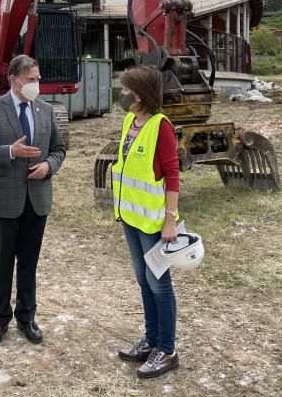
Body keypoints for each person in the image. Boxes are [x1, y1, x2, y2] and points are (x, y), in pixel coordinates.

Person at [0, 54, 66, 346]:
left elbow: (59, 149)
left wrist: (49, 166)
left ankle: (27, 316)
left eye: (38, 78)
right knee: (2, 263)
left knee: (29, 262)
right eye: (31, 79)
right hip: (2, 200)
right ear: (14, 80)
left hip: (37, 200)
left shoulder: (46, 110)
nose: (37, 83)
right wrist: (9, 152)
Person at [112, 65, 182, 379]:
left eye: (126, 90)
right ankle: (151, 339)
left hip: (154, 222)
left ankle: (167, 350)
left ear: (139, 95)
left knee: (159, 285)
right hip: (130, 216)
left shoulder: (161, 126)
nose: (122, 94)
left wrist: (169, 220)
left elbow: (172, 176)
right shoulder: (130, 120)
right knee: (144, 281)